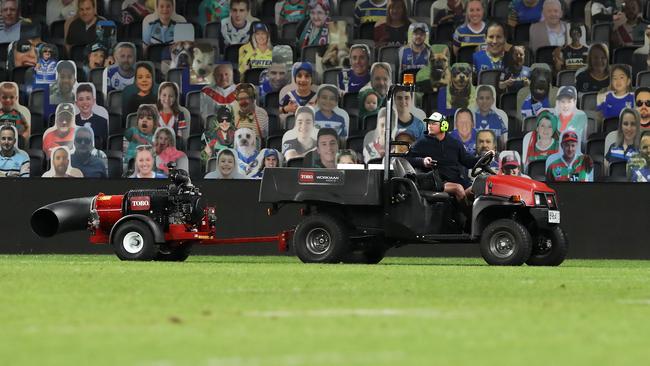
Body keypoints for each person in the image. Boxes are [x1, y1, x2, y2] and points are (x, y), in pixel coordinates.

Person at [406, 112, 482, 196]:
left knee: (477, 189)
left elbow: (467, 161)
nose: (429, 125)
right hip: (436, 182)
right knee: (458, 189)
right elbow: (407, 159)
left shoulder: (454, 143)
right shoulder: (422, 143)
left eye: (433, 123)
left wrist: (483, 159)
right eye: (429, 123)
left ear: (444, 125)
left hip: (456, 180)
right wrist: (422, 161)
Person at [74, 83, 108, 149]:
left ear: (93, 101)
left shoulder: (102, 122)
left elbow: (104, 147)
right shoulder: (72, 122)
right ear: (76, 103)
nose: (85, 102)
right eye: (81, 99)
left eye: (88, 98)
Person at [156, 81, 188, 146]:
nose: (167, 99)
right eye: (164, 95)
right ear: (159, 96)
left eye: (171, 96)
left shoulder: (180, 115)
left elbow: (180, 137)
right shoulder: (154, 113)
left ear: (175, 98)